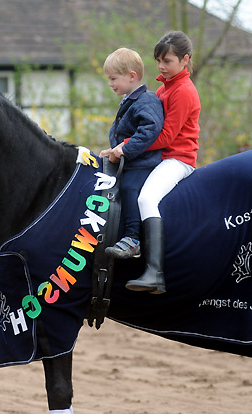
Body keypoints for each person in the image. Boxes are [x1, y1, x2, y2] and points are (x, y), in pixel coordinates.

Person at [124, 31, 201, 294]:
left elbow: (167, 135)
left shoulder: (184, 91)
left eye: (167, 61)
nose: (160, 66)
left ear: (185, 60)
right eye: (158, 60)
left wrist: (127, 146)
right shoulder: (163, 88)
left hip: (178, 159)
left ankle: (155, 273)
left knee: (147, 199)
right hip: (161, 157)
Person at [100, 47, 164, 259]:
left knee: (129, 188)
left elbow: (149, 130)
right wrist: (113, 150)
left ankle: (133, 238)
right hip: (129, 161)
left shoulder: (147, 100)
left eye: (113, 78)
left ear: (132, 76)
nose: (110, 84)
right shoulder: (130, 99)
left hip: (143, 164)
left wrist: (124, 149)